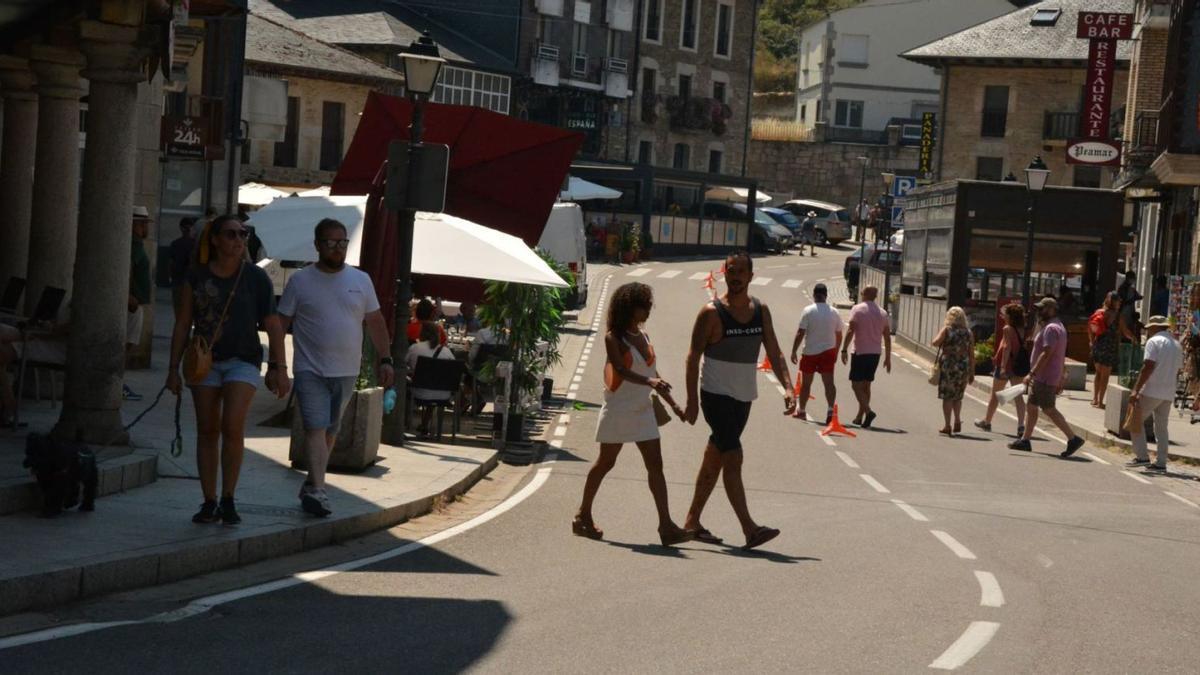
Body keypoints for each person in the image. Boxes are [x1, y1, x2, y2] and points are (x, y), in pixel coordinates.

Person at [166, 214, 290, 525]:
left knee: (232, 425)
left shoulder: (256, 278)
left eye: (243, 234)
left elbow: (273, 325)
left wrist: (279, 367)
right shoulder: (196, 276)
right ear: (216, 239)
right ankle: (209, 500)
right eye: (232, 234)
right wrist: (171, 368)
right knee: (208, 430)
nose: (239, 240)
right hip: (204, 360)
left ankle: (229, 498)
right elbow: (183, 323)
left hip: (244, 359)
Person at [278, 218, 395, 518]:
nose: (337, 248)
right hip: (309, 369)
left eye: (342, 242)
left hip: (346, 370)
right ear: (317, 245)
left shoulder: (361, 280)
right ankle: (319, 490)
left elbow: (376, 322)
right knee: (316, 427)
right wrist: (276, 365)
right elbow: (280, 323)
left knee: (330, 430)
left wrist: (385, 358)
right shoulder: (300, 281)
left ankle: (311, 481)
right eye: (331, 242)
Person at [681, 251, 794, 551]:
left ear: (750, 276)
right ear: (724, 273)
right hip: (715, 394)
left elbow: (775, 351)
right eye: (731, 270)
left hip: (744, 396)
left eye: (741, 271)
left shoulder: (760, 310)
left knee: (716, 455)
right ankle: (750, 528)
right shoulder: (711, 312)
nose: (735, 276)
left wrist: (789, 389)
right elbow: (693, 357)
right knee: (733, 456)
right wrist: (692, 400)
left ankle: (692, 521)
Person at [573, 282, 693, 546]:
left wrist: (674, 405)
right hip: (618, 409)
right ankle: (583, 515)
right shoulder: (613, 338)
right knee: (605, 463)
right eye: (644, 306)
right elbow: (620, 368)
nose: (648, 310)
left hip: (642, 410)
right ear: (630, 307)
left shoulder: (644, 335)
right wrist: (651, 383)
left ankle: (666, 526)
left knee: (656, 466)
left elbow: (655, 375)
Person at [1008, 297, 1087, 456]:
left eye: (1042, 309)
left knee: (1049, 408)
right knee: (1031, 406)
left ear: (1051, 310)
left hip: (1045, 376)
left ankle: (1073, 438)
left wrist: (1032, 373)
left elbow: (1047, 353)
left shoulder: (1051, 329)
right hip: (1045, 376)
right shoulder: (1057, 326)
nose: (1038, 311)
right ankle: (1025, 440)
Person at [1126, 315, 1182, 472]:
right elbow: (1177, 370)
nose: (1148, 331)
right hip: (1168, 391)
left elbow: (1148, 366)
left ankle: (1142, 456)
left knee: (1135, 422)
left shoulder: (1154, 342)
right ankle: (1161, 462)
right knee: (1162, 428)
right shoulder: (1176, 344)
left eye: (1150, 328)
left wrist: (1136, 389)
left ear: (1155, 328)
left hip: (1152, 389)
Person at [839, 286, 891, 428]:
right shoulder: (883, 313)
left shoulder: (857, 309)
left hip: (860, 352)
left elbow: (851, 330)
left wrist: (843, 349)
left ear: (866, 294)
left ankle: (868, 411)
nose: (860, 293)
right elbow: (887, 336)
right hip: (875, 353)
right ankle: (859, 417)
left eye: (862, 292)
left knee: (856, 385)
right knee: (866, 385)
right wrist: (888, 357)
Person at [791, 282, 843, 423]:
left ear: (814, 295)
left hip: (810, 352)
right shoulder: (834, 312)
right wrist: (837, 351)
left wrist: (794, 351)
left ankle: (802, 410)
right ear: (826, 295)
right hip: (829, 351)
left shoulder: (808, 310)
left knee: (806, 383)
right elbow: (839, 334)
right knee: (829, 383)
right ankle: (831, 409)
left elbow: (800, 332)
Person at [975, 303, 1028, 436]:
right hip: (1018, 366)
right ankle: (1021, 425)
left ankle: (987, 421)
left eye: (1004, 314)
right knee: (1018, 396)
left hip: (1006, 366)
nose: (1002, 316)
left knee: (995, 395)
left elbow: (1006, 347)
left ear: (1010, 316)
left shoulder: (1007, 329)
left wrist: (1003, 366)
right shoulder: (1022, 329)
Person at [123, 206, 154, 402]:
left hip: (135, 302)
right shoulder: (133, 245)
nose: (145, 228)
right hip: (131, 304)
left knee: (127, 345)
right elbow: (126, 269)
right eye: (142, 224)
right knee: (124, 345)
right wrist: (127, 296)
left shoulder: (137, 244)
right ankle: (116, 382)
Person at [406, 322, 457, 436]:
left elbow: (403, 364)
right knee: (432, 386)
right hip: (443, 394)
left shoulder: (415, 348)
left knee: (405, 387)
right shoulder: (446, 351)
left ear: (422, 333)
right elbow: (453, 370)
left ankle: (405, 422)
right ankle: (425, 424)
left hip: (419, 392)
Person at [931, 307, 974, 436]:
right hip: (963, 367)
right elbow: (972, 354)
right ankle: (957, 420)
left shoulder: (947, 330)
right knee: (958, 396)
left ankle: (947, 425)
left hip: (949, 366)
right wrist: (972, 372)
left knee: (947, 397)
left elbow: (935, 343)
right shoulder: (968, 332)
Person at [1088, 292, 1129, 409]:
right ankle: (1100, 401)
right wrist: (1134, 338)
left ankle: (1094, 399)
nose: (1120, 303)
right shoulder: (1117, 316)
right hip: (1110, 347)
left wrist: (1091, 342)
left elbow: (1090, 328)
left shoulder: (1098, 312)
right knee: (1105, 376)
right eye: (1119, 301)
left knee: (1098, 373)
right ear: (1114, 302)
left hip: (1098, 345)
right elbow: (1125, 332)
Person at [169, 217, 197, 314]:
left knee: (178, 312)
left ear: (181, 228)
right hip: (191, 283)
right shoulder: (195, 244)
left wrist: (171, 277)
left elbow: (171, 263)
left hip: (178, 282)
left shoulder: (175, 244)